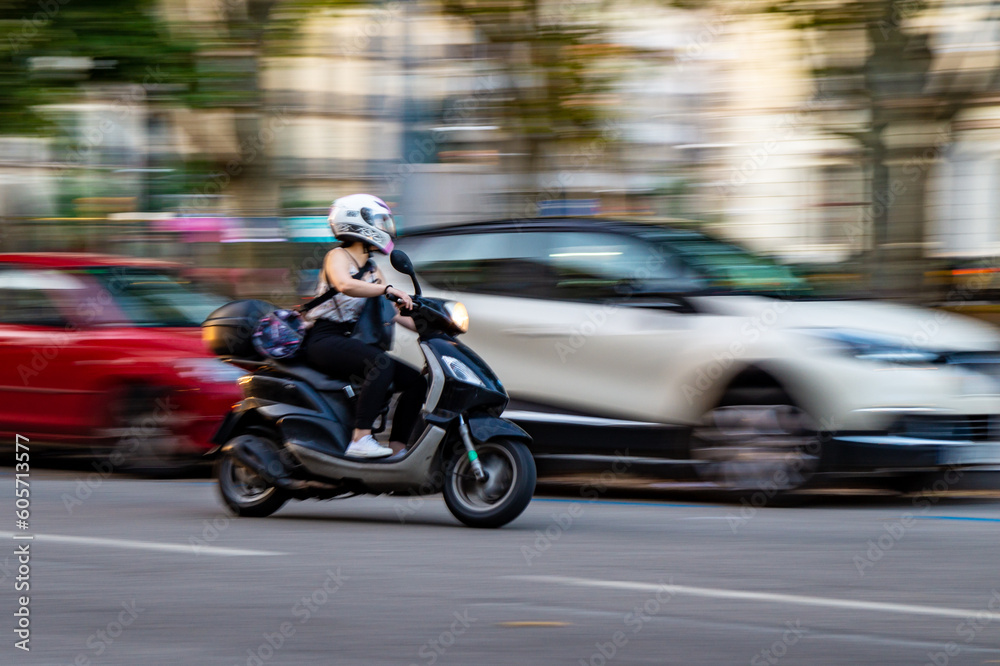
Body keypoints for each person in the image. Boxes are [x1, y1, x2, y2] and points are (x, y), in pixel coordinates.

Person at [302, 194, 426, 459]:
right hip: (324, 338)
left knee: (416, 381)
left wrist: (432, 328)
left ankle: (398, 449)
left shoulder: (371, 268)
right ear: (357, 222)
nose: (384, 228)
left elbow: (389, 311)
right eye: (378, 221)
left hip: (351, 341)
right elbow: (345, 284)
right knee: (380, 364)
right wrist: (388, 288)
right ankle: (360, 439)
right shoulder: (338, 256)